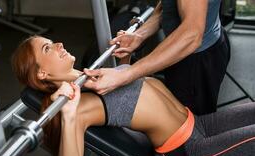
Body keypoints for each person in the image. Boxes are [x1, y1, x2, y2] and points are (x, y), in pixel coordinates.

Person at [11, 36, 254, 156]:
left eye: (52, 42)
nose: (59, 44)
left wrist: (125, 62)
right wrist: (70, 113)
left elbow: (132, 101)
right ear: (41, 73)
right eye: (47, 48)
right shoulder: (78, 104)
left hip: (200, 126)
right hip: (189, 154)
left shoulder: (93, 76)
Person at [84, 0, 230, 115]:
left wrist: (125, 74)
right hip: (185, 52)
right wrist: (139, 35)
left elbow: (192, 35)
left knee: (191, 135)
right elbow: (168, 6)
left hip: (195, 61)